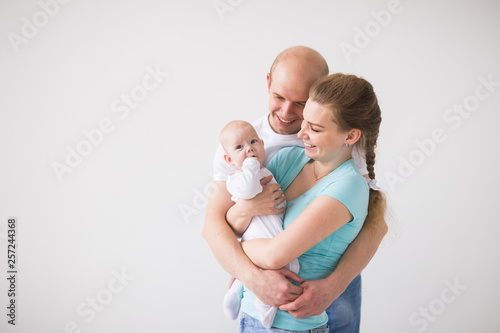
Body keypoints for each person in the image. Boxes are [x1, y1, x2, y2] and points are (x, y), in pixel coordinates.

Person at [203, 46, 388, 332]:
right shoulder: (240, 143)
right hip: (265, 284)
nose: (287, 113)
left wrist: (334, 285)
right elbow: (216, 225)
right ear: (268, 83)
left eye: (301, 102)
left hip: (333, 276)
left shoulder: (339, 141)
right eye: (278, 97)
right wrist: (249, 275)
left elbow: (374, 223)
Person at [219, 120, 300, 328]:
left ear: (263, 144)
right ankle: (265, 308)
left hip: (272, 232)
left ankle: (236, 289)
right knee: (272, 271)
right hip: (256, 237)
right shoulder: (236, 178)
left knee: (288, 266)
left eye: (254, 141)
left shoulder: (265, 171)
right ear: (229, 159)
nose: (249, 148)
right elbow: (247, 191)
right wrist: (251, 164)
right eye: (240, 147)